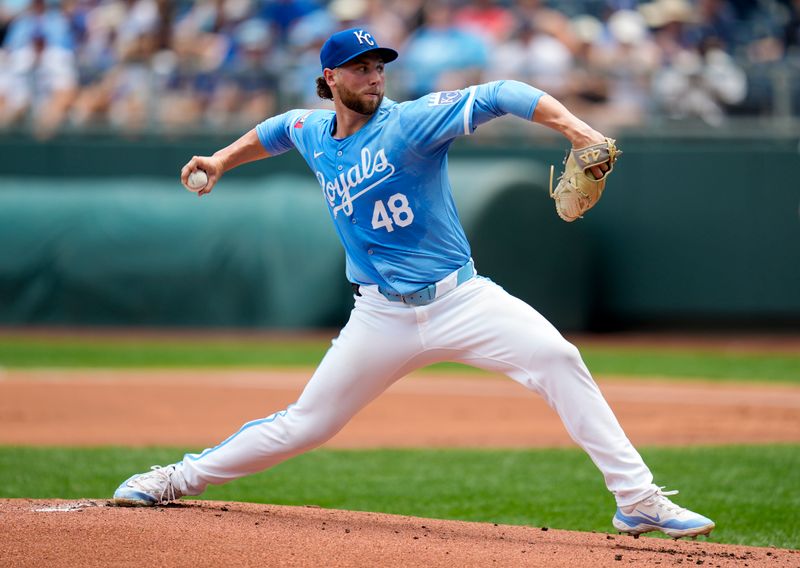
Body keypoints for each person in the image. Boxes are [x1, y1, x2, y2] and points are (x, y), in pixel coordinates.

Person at [113, 27, 715, 540]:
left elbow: (503, 93)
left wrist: (577, 132)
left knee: (559, 358)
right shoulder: (314, 133)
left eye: (379, 66)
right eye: (360, 67)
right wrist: (220, 159)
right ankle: (174, 479)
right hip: (381, 318)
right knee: (308, 424)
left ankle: (636, 500)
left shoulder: (413, 123)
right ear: (330, 77)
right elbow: (275, 130)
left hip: (461, 298)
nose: (374, 76)